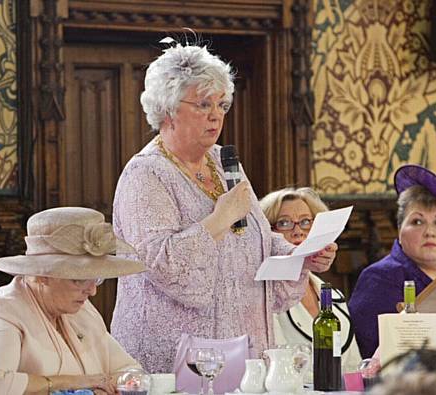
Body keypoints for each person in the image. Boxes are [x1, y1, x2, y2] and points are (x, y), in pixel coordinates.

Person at [111, 42, 337, 373]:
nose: (216, 115)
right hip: (174, 360)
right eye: (203, 104)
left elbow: (257, 239)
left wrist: (299, 256)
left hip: (243, 351)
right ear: (168, 109)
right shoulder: (146, 173)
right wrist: (219, 219)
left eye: (222, 104)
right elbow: (161, 264)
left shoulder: (223, 162)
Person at [0, 207, 147, 395]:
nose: (93, 291)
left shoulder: (81, 312)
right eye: (79, 279)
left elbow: (133, 372)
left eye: (96, 279)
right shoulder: (2, 312)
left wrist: (104, 387)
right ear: (41, 275)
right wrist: (79, 383)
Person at [348, 164, 436, 359]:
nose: (430, 232)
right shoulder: (379, 278)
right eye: (417, 221)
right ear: (400, 230)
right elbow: (365, 356)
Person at [259, 187, 362, 373]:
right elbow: (276, 369)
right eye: (284, 223)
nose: (298, 231)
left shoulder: (333, 295)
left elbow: (353, 366)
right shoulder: (267, 296)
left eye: (306, 222)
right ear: (268, 232)